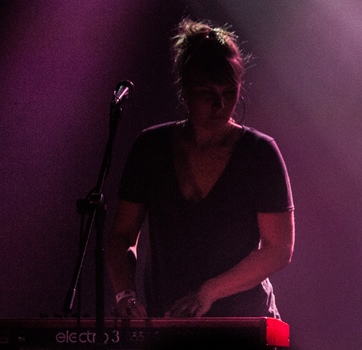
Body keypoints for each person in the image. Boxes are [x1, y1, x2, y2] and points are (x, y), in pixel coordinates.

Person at [106, 20, 294, 318]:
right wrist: (126, 296)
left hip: (243, 323)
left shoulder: (259, 153)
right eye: (207, 93)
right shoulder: (151, 147)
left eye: (229, 92)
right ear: (186, 89)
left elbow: (279, 248)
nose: (220, 104)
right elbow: (121, 236)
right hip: (167, 321)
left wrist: (210, 291)